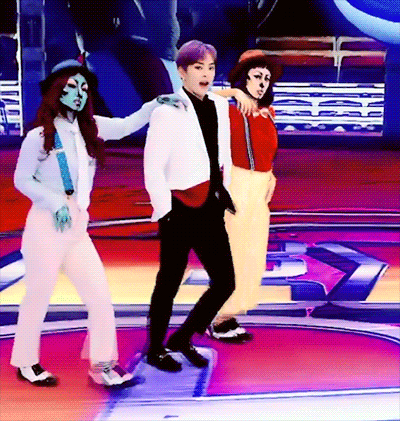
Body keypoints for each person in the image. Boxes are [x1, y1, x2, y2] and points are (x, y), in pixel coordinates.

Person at [10, 59, 181, 387]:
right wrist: (54, 201)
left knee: (100, 296)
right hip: (46, 226)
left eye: (84, 88)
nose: (79, 93)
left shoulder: (90, 128)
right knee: (37, 298)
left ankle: (102, 364)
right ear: (56, 90)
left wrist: (154, 105)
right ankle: (27, 362)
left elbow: (127, 125)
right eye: (72, 87)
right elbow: (22, 179)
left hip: (77, 227)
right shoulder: (38, 136)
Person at [143, 40, 236, 372]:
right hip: (179, 207)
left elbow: (222, 154)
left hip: (211, 205)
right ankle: (155, 349)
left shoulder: (219, 106)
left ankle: (182, 337)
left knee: (225, 282)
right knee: (168, 282)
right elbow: (152, 166)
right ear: (181, 72)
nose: (206, 74)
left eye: (210, 67)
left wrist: (223, 191)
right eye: (198, 68)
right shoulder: (166, 111)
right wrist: (164, 211)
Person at [207, 50, 282, 343]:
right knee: (233, 253)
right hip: (236, 184)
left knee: (253, 254)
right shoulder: (228, 109)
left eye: (267, 78)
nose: (262, 83)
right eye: (257, 76)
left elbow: (266, 149)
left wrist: (271, 173)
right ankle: (217, 317)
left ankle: (230, 314)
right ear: (243, 78)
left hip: (260, 189)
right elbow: (193, 96)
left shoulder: (268, 113)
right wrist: (234, 92)